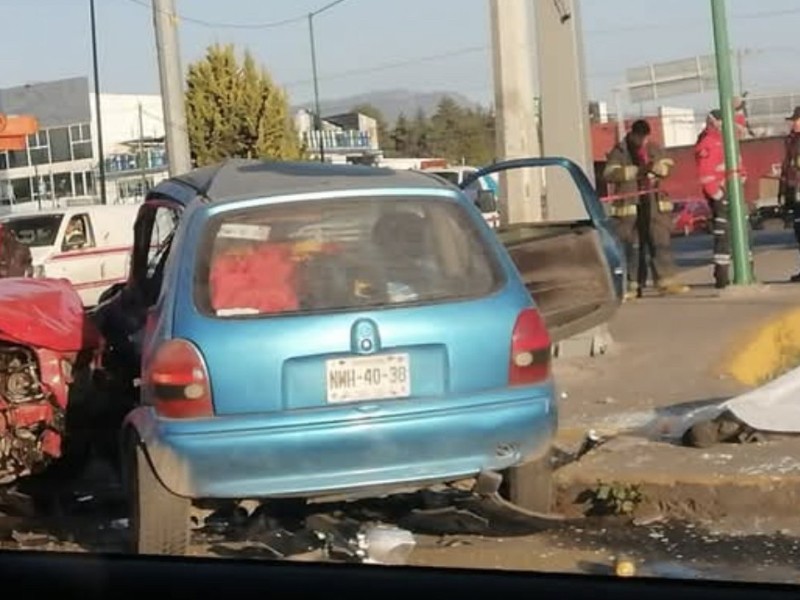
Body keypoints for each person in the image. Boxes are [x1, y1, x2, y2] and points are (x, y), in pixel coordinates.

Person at [603, 119, 689, 299]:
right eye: (639, 137)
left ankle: (666, 281)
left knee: (660, 243)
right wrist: (636, 171)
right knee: (632, 246)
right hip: (630, 208)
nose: (642, 141)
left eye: (645, 138)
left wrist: (659, 168)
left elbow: (669, 166)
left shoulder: (654, 148)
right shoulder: (620, 151)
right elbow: (608, 173)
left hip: (654, 205)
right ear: (632, 134)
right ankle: (632, 284)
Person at [695, 109, 751, 289]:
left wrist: (740, 184)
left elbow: (740, 168)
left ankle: (748, 272)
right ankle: (722, 277)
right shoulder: (709, 143)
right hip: (723, 197)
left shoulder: (728, 142)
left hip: (733, 195)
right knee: (724, 237)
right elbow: (706, 176)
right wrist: (720, 197)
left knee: (743, 231)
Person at [779, 106, 800, 282]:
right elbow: (788, 169)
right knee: (799, 231)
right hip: (794, 190)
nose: (793, 123)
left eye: (796, 120)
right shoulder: (791, 141)